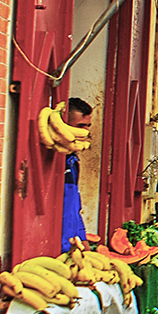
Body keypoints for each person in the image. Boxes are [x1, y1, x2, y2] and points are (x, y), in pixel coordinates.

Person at [61, 97, 93, 252]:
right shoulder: (56, 161)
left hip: (71, 247)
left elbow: (74, 207)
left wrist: (83, 238)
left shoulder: (73, 161)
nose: (85, 132)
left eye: (88, 126)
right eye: (80, 126)